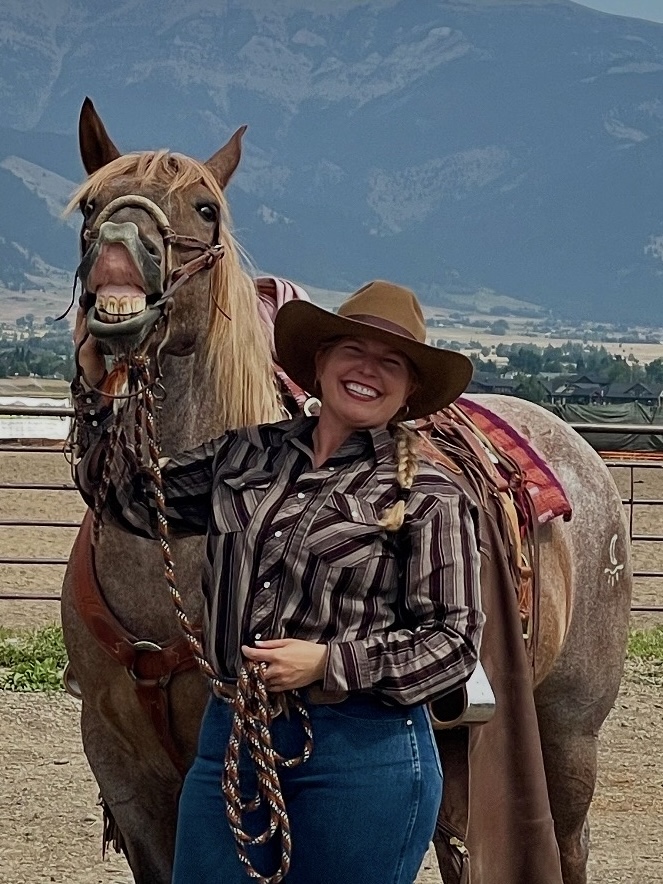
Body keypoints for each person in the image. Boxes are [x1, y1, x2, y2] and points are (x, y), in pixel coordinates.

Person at [72, 279, 484, 884]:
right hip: (232, 733)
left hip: (362, 754)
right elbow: (125, 499)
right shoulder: (244, 456)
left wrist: (328, 662)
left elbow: (452, 645)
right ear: (319, 363)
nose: (367, 370)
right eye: (352, 352)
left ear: (411, 390)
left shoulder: (429, 497)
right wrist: (99, 387)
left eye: (390, 362)